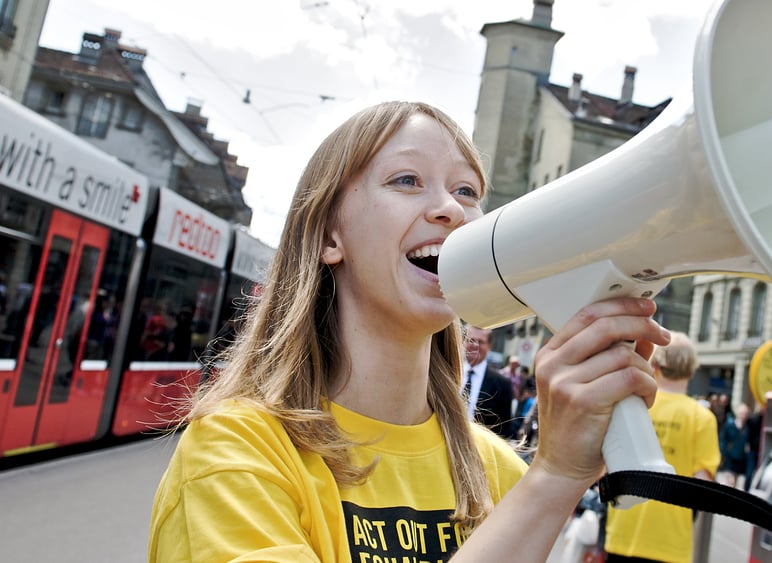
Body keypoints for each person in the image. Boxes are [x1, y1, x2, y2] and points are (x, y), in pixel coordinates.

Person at [147, 100, 672, 562]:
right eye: (406, 180)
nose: (451, 209)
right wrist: (553, 478)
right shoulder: (235, 452)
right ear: (331, 234)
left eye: (467, 191)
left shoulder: (497, 470)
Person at [603, 332, 720, 562]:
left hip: (623, 531)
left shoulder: (634, 404)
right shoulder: (702, 418)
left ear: (655, 364)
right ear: (692, 370)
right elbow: (701, 485)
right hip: (670, 541)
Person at [462, 326, 516, 439]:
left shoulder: (502, 384)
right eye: (471, 340)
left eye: (481, 342)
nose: (475, 345)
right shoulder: (448, 372)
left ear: (489, 346)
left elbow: (504, 430)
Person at [718, 403, 750, 488]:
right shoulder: (729, 425)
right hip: (729, 457)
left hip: (740, 457)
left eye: (745, 414)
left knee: (734, 482)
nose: (743, 415)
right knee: (728, 480)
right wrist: (723, 453)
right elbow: (723, 440)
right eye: (742, 413)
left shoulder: (747, 428)